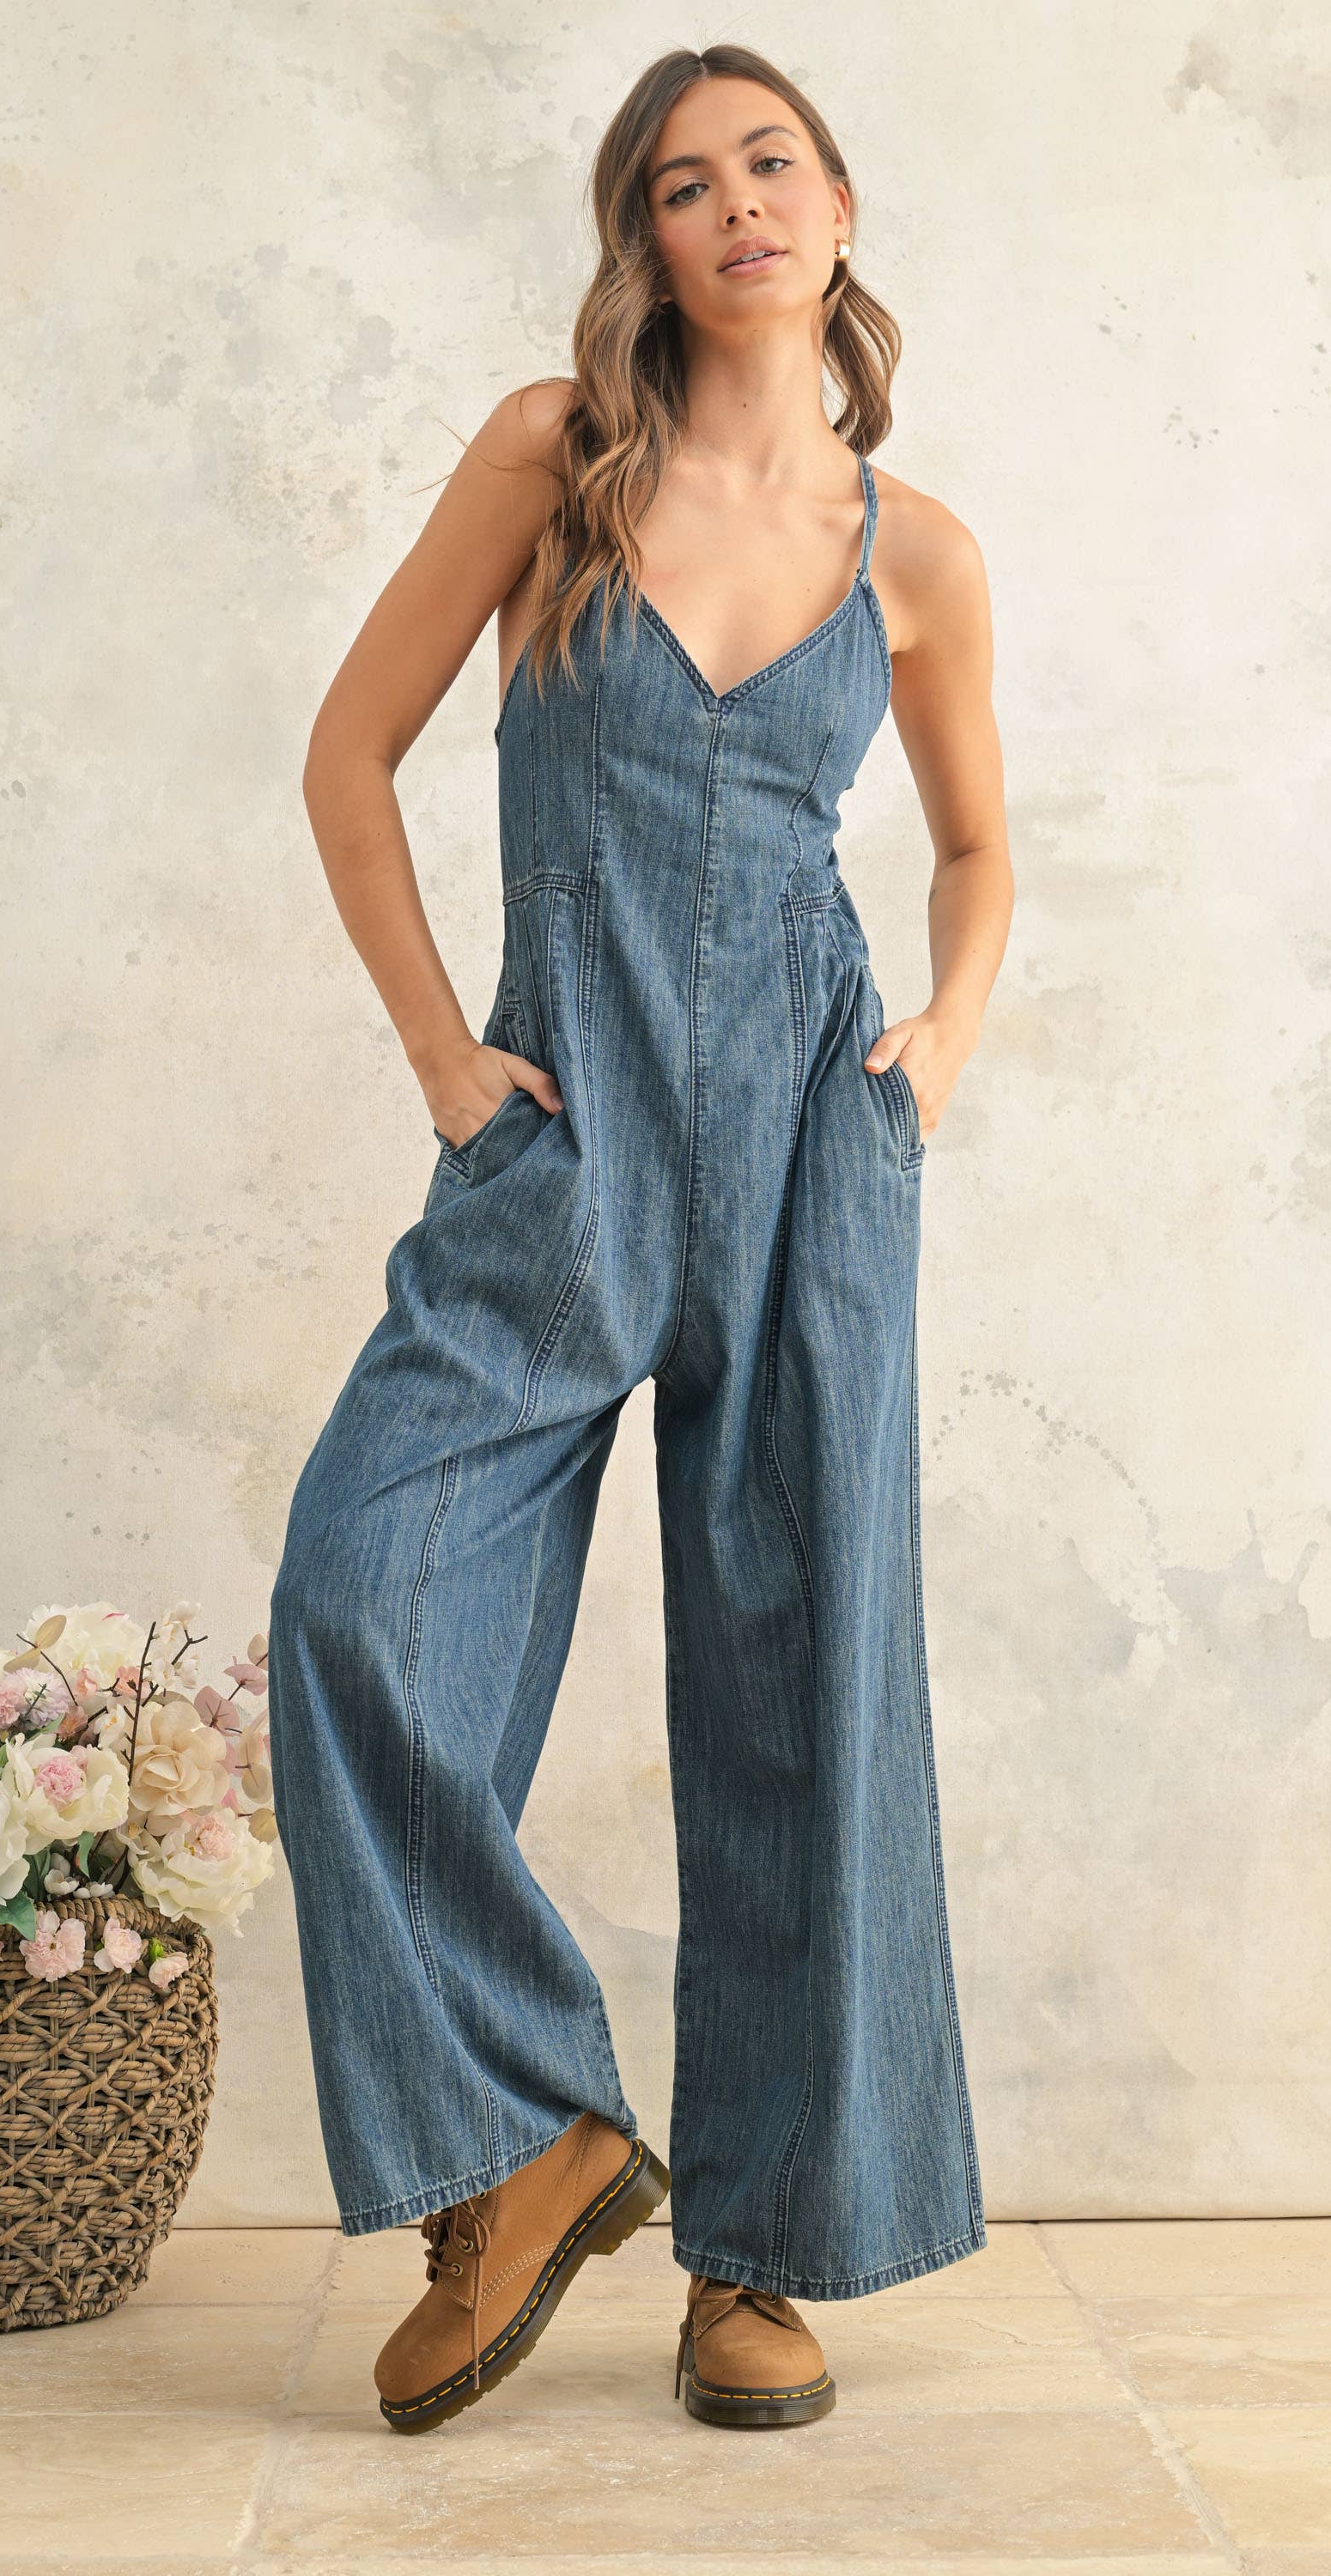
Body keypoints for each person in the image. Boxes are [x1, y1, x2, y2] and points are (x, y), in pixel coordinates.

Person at [267, 41, 1012, 2436]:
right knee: (359, 1591)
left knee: (807, 1681)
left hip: (809, 1146)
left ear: (837, 201)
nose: (736, 207)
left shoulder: (916, 555)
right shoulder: (550, 461)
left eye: (770, 163)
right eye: (685, 185)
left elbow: (979, 850)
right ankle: (532, 2132)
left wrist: (942, 1036)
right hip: (562, 1131)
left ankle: (763, 2253)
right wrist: (440, 1059)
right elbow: (347, 755)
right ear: (648, 241)